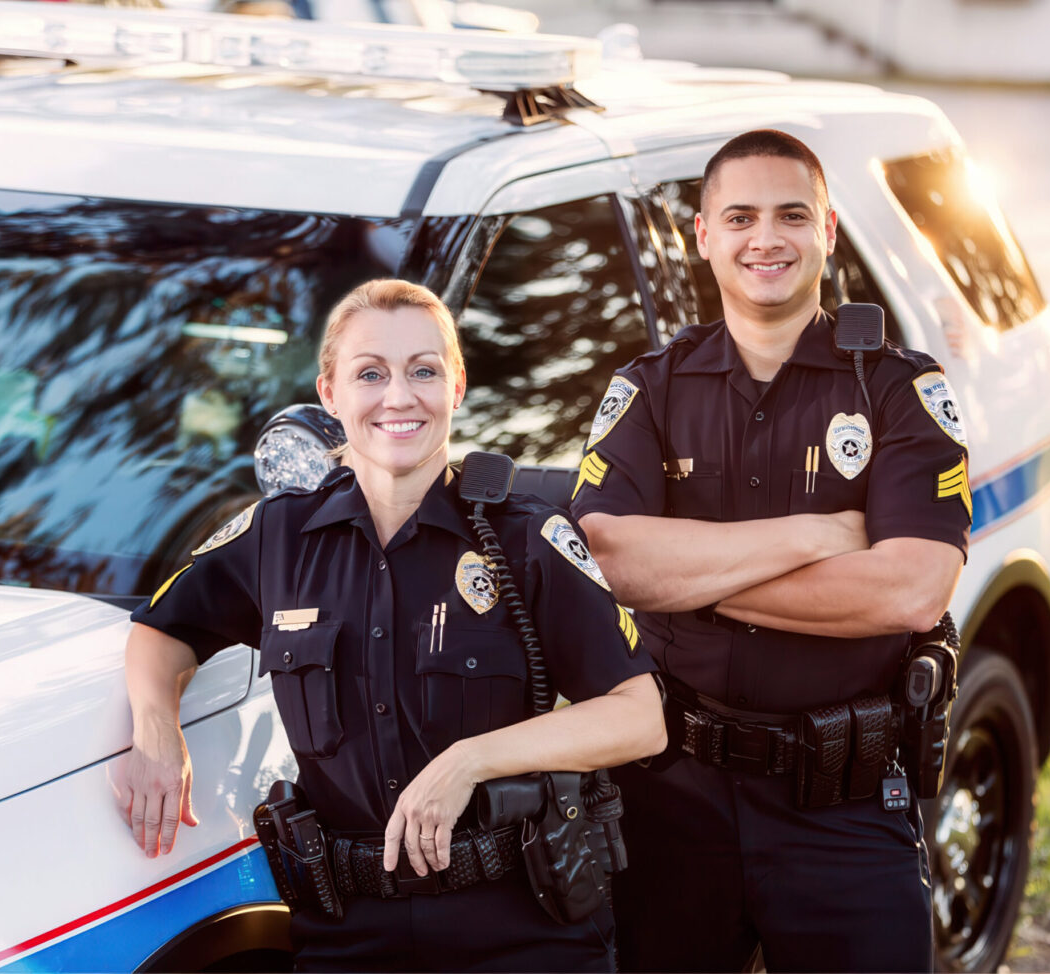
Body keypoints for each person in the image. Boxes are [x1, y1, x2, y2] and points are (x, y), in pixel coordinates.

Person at [119, 279, 665, 972]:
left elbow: (640, 716)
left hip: (521, 926)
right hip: (347, 935)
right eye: (370, 374)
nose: (399, 397)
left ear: (457, 387)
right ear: (330, 394)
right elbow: (162, 629)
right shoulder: (277, 536)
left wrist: (470, 761)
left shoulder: (525, 536)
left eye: (423, 371)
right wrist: (156, 730)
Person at [570, 130, 972, 973]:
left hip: (845, 805)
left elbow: (909, 590)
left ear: (827, 233)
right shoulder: (651, 386)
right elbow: (608, 555)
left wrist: (686, 579)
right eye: (741, 216)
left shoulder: (899, 391)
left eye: (792, 215)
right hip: (670, 798)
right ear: (702, 233)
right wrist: (814, 539)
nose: (766, 239)